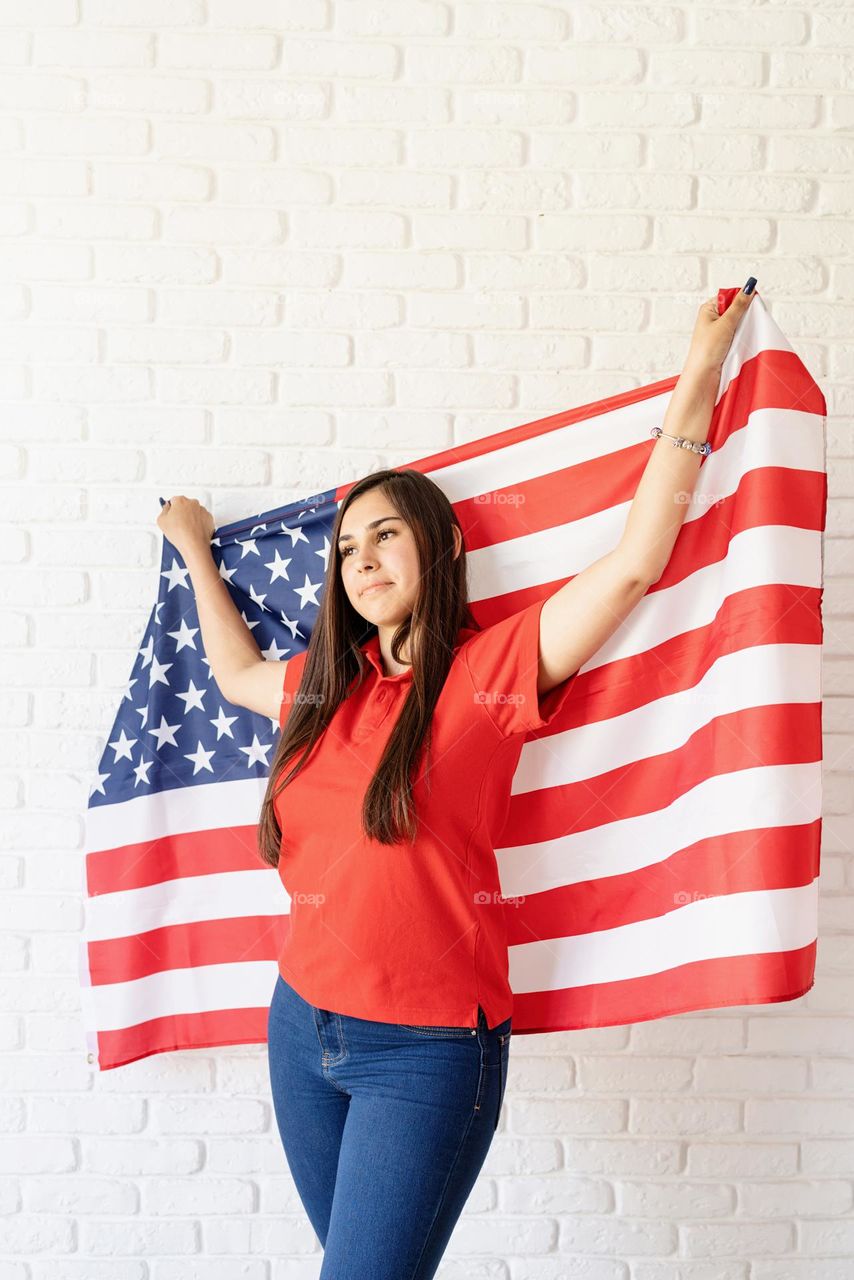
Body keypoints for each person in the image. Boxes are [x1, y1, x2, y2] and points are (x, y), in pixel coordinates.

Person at [156, 280, 757, 1278]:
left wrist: (697, 373)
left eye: (385, 531)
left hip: (426, 1051)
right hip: (302, 1026)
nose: (360, 557)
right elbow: (232, 673)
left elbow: (631, 565)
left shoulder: (490, 674)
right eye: (346, 546)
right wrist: (190, 547)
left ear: (442, 545)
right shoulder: (319, 687)